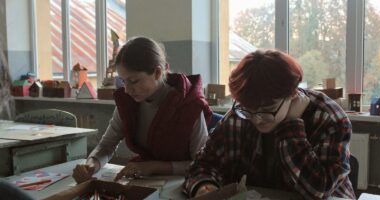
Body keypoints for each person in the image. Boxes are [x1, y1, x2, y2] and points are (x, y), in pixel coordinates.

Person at [183, 49, 356, 199]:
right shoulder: (241, 113)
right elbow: (203, 164)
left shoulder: (328, 117)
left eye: (268, 109)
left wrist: (291, 127)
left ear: (292, 95)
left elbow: (318, 191)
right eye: (249, 108)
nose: (257, 118)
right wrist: (205, 187)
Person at [73, 37, 212, 183]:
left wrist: (154, 167)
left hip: (183, 183)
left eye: (133, 81)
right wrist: (91, 164)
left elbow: (201, 164)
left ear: (157, 73)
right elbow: (106, 145)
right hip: (144, 180)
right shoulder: (129, 103)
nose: (126, 90)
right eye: (123, 81)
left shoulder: (190, 105)